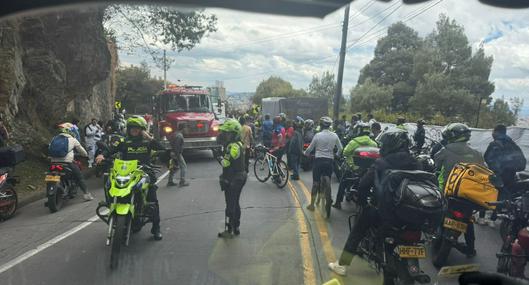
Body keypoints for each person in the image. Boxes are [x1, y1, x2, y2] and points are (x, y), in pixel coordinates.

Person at [328, 129, 418, 276]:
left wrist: (362, 201)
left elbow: (363, 185)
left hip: (384, 212)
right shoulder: (416, 162)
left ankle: (342, 265)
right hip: (410, 214)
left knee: (358, 230)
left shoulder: (382, 163)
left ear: (391, 145)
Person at [95, 116, 164, 240]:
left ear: (142, 129)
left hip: (144, 172)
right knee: (109, 182)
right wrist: (101, 155)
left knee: (152, 199)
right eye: (132, 128)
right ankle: (113, 207)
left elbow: (161, 148)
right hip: (126, 173)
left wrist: (149, 137)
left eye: (137, 128)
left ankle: (156, 228)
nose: (134, 130)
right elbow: (111, 150)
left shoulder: (147, 142)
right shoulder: (123, 141)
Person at [434, 123, 484, 257]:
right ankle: (471, 247)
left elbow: (435, 166)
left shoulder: (444, 150)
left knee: (435, 209)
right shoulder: (477, 153)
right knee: (468, 219)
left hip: (447, 192)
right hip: (469, 195)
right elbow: (484, 172)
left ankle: (433, 231)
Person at [333, 123, 378, 209]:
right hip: (368, 170)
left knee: (343, 182)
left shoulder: (354, 142)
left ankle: (338, 203)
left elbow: (345, 152)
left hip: (353, 168)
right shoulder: (374, 143)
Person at [304, 117, 343, 211]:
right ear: (329, 125)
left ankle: (312, 205)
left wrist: (306, 154)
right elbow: (341, 148)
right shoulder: (334, 135)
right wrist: (336, 155)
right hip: (329, 161)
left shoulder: (317, 135)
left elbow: (310, 148)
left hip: (319, 161)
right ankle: (328, 193)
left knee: (315, 183)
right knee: (327, 176)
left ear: (321, 125)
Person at [217, 119, 247, 237]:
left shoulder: (232, 146)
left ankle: (229, 229)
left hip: (234, 178)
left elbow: (226, 163)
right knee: (235, 202)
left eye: (228, 133)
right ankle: (236, 227)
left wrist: (218, 157)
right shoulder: (239, 144)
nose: (225, 135)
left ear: (234, 134)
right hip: (240, 177)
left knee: (230, 203)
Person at [50, 123, 94, 201]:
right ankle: (87, 195)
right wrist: (86, 155)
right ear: (70, 131)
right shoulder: (73, 140)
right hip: (67, 163)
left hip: (53, 163)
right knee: (79, 177)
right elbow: (82, 151)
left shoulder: (54, 138)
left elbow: (49, 148)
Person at [484, 124, 526, 199]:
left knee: (496, 201)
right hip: (512, 177)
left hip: (498, 179)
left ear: (496, 132)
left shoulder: (494, 144)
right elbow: (522, 163)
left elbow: (487, 158)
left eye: (493, 131)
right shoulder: (513, 145)